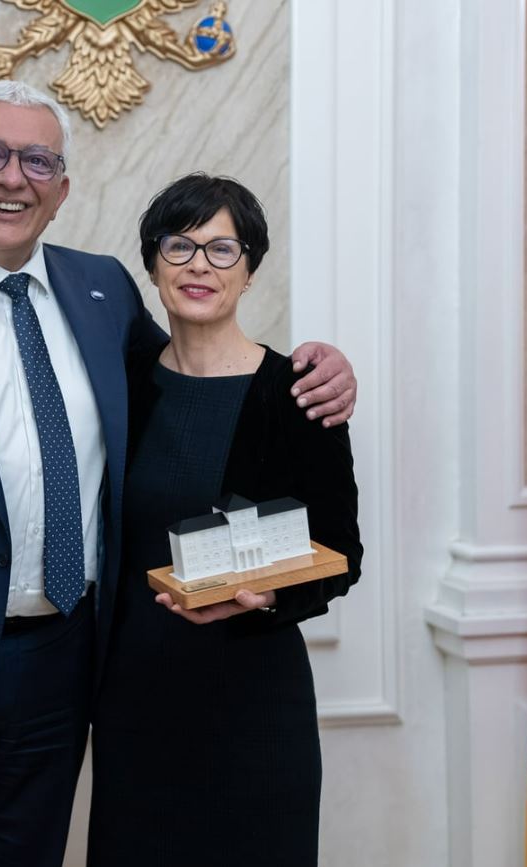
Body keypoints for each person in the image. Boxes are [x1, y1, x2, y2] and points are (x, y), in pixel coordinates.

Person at [0, 82, 357, 867]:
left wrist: (320, 367)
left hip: (61, 682)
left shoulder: (101, 293)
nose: (12, 177)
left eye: (37, 160)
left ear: (62, 190)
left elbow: (199, 379)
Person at [87, 174, 364, 867]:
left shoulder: (298, 391)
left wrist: (267, 597)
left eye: (222, 249)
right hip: (134, 700)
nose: (199, 266)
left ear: (249, 270)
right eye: (179, 246)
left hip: (253, 699)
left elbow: (341, 551)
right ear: (153, 264)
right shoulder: (118, 382)